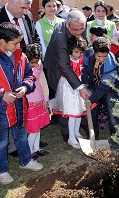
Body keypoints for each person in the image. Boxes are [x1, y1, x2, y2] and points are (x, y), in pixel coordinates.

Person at [0, 22, 43, 185]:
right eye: (15, 43)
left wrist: (26, 87)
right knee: (1, 141)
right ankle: (1, 170)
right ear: (2, 41)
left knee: (21, 136)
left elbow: (29, 75)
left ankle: (25, 160)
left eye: (19, 42)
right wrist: (1, 94)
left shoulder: (21, 54)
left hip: (19, 106)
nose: (18, 46)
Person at [44, 10, 90, 143]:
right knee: (64, 101)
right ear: (67, 25)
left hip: (73, 66)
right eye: (75, 30)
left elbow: (84, 45)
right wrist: (80, 86)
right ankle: (66, 132)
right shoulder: (60, 38)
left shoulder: (81, 27)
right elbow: (64, 65)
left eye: (81, 29)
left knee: (75, 99)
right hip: (57, 69)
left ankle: (75, 127)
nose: (78, 32)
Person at [54, 37, 88, 149]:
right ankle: (71, 137)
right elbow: (68, 74)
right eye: (76, 52)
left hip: (80, 86)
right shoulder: (67, 61)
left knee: (79, 110)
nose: (79, 55)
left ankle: (77, 132)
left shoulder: (82, 59)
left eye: (81, 52)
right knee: (73, 113)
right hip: (69, 88)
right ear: (71, 50)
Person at [81, 37, 118, 140]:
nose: (102, 59)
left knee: (112, 112)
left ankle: (116, 139)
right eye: (99, 56)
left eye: (104, 56)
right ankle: (92, 137)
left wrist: (92, 99)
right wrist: (85, 85)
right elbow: (85, 70)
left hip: (108, 87)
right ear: (93, 51)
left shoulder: (110, 62)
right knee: (91, 111)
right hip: (93, 84)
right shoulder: (88, 53)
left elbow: (104, 85)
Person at [22, 44, 50, 159]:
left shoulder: (39, 68)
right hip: (30, 104)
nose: (34, 65)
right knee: (33, 130)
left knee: (37, 128)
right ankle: (29, 152)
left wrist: (46, 99)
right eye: (32, 63)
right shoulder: (22, 71)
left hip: (40, 102)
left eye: (36, 62)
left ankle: (36, 148)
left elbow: (43, 83)